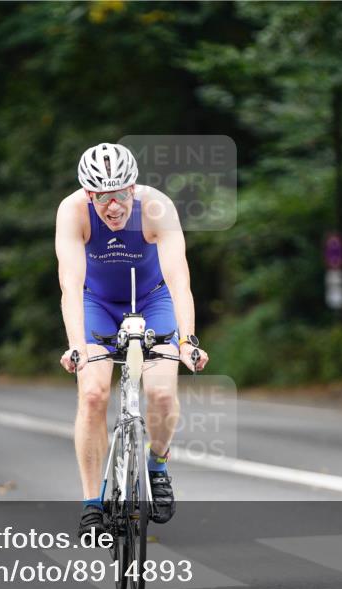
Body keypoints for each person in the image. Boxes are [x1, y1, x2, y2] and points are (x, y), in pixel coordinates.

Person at [55, 142, 209, 540]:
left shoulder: (157, 208)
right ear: (88, 194)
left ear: (133, 188)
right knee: (92, 394)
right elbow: (70, 285)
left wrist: (188, 341)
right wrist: (77, 345)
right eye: (102, 197)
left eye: (121, 194)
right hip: (97, 304)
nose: (113, 206)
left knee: (161, 394)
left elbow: (179, 281)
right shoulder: (72, 211)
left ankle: (157, 464)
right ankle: (92, 503)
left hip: (153, 301)